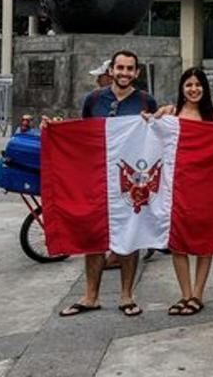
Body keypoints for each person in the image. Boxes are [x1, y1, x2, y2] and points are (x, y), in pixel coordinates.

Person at [57, 50, 158, 319]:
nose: (124, 73)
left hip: (130, 180)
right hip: (97, 176)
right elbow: (82, 134)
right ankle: (90, 296)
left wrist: (159, 119)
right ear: (111, 70)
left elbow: (157, 138)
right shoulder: (93, 100)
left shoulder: (146, 101)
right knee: (94, 235)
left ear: (136, 73)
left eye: (130, 69)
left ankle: (127, 295)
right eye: (120, 68)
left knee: (130, 235)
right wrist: (55, 130)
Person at [157, 67, 213, 317]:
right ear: (182, 89)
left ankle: (198, 294)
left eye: (198, 85)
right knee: (178, 242)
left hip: (205, 188)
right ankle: (184, 294)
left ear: (204, 89)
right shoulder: (170, 114)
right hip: (177, 186)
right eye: (189, 85)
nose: (193, 89)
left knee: (205, 242)